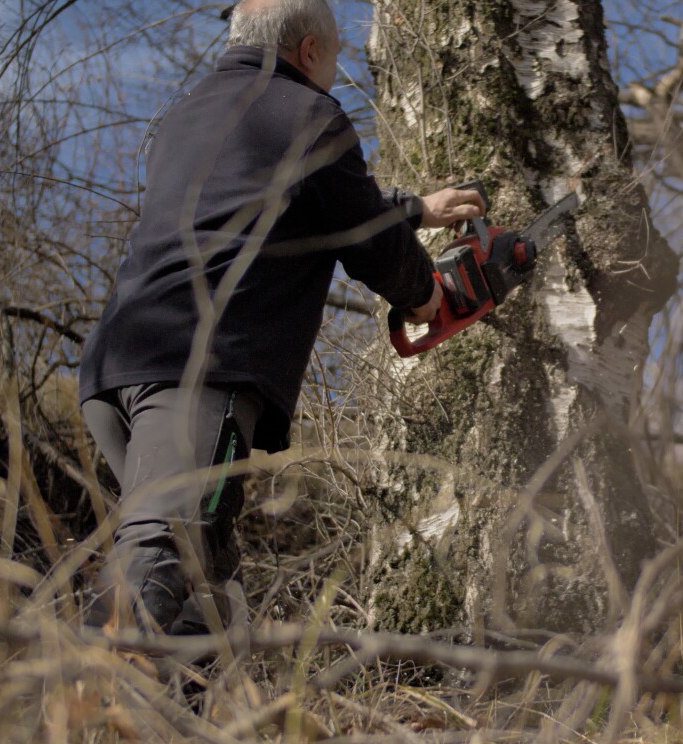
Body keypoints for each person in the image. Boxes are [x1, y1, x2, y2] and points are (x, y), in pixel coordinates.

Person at [77, 0, 483, 635]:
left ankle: (187, 695)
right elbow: (365, 235)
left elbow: (288, 198)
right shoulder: (310, 114)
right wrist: (423, 296)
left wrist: (414, 209)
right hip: (196, 370)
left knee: (207, 585)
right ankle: (85, 693)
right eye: (336, 55)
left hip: (115, 367)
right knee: (163, 550)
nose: (335, 70)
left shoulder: (186, 113)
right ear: (310, 50)